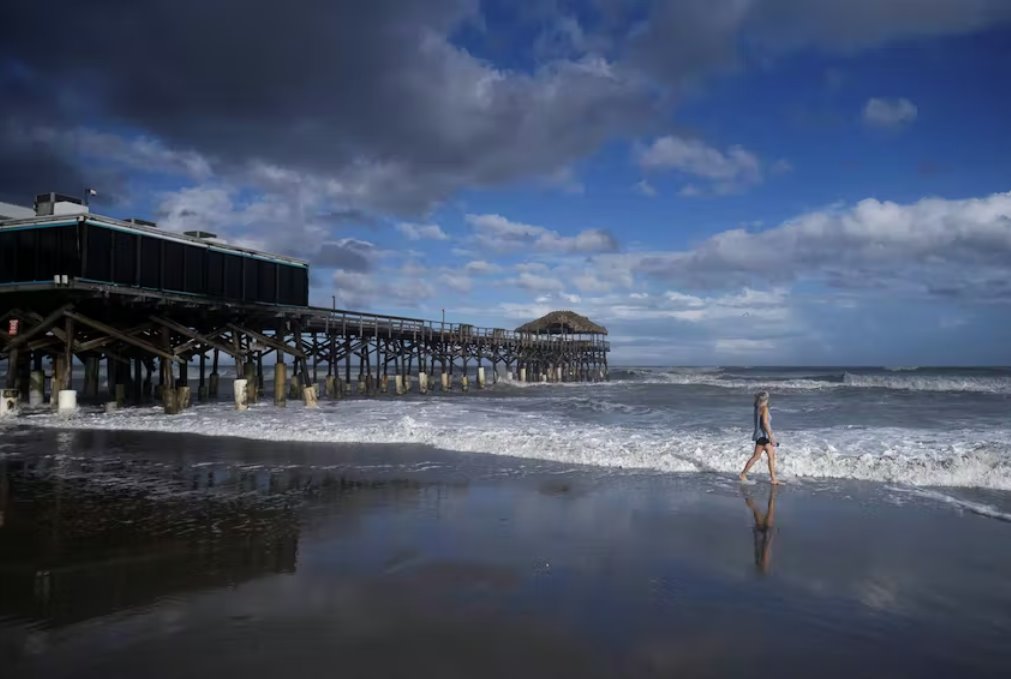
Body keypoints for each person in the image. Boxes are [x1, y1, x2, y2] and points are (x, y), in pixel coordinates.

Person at [739, 390, 780, 484]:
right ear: (765, 399)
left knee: (763, 456)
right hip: (763, 436)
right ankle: (743, 474)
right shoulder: (764, 408)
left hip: (760, 435)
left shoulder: (757, 407)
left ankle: (773, 478)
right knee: (764, 456)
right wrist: (770, 436)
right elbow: (765, 423)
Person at [743, 483, 778, 574]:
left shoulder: (761, 558)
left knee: (770, 508)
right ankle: (745, 491)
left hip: (766, 532)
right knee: (756, 509)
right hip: (761, 532)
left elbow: (767, 546)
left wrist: (772, 535)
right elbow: (763, 545)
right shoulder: (757, 555)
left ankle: (746, 491)